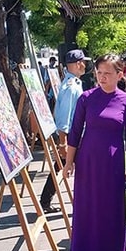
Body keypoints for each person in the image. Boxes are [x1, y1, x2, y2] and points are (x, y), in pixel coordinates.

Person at [63, 54, 126, 251]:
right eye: (99, 73)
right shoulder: (86, 98)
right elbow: (74, 133)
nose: (102, 77)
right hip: (87, 163)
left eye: (107, 73)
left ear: (119, 74)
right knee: (87, 210)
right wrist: (69, 162)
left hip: (113, 165)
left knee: (112, 211)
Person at [39, 50, 88, 214]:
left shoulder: (73, 83)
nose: (85, 65)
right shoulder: (71, 87)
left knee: (59, 167)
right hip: (72, 138)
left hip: (73, 137)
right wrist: (63, 143)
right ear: (78, 63)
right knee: (67, 168)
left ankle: (45, 201)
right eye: (83, 62)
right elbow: (64, 118)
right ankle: (46, 201)